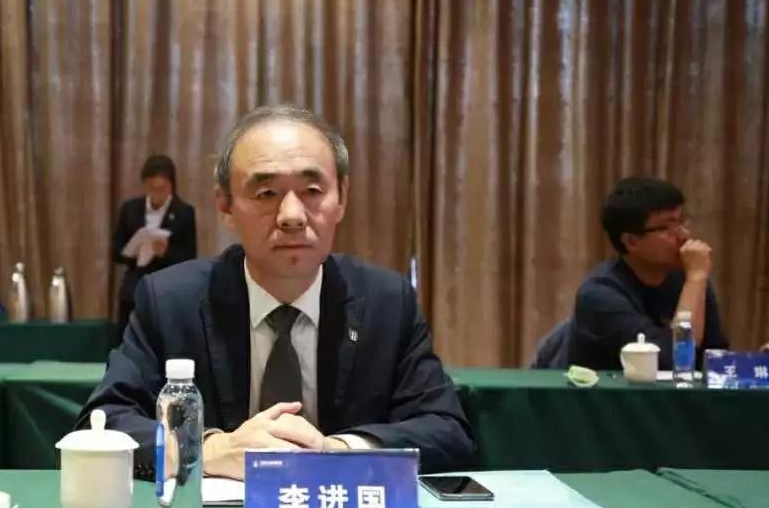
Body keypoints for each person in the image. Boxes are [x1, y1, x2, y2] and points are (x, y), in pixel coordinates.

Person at [81, 105, 474, 480]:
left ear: (342, 197)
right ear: (225, 206)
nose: (291, 216)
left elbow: (447, 430)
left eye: (312, 190)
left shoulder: (387, 303)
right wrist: (207, 449)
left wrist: (337, 451)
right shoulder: (170, 302)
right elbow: (102, 423)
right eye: (266, 194)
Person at [571, 177, 729, 370]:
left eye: (680, 221)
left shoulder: (687, 281)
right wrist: (696, 278)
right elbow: (670, 362)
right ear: (631, 241)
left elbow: (715, 359)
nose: (684, 235)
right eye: (665, 228)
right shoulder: (599, 295)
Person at [112, 155, 197, 338]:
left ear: (171, 186)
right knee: (127, 338)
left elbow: (189, 257)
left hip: (168, 288)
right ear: (145, 185)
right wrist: (133, 250)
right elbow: (115, 251)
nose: (157, 194)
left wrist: (166, 252)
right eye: (152, 189)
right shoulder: (130, 209)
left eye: (162, 189)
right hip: (135, 287)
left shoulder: (184, 212)